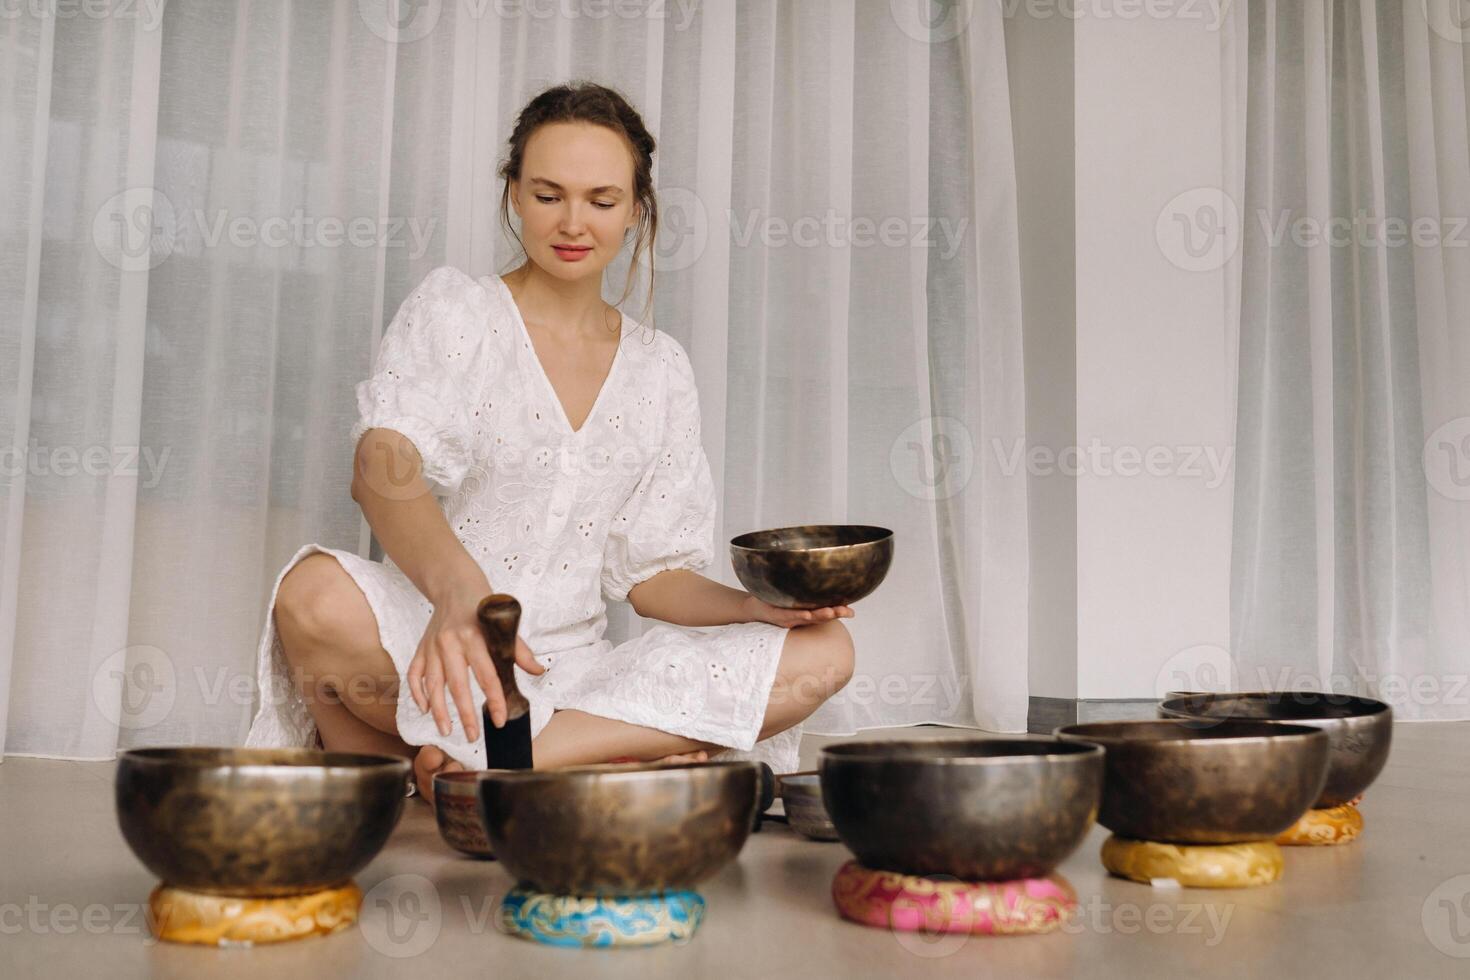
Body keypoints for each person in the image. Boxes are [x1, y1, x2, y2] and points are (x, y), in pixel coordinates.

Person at [244, 82, 855, 801]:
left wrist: (753, 608)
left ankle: (491, 763)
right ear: (513, 195)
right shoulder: (459, 311)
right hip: (444, 645)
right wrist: (458, 592)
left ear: (635, 209)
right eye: (547, 195)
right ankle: (588, 758)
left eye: (601, 200)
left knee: (827, 651)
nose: (573, 222)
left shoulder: (661, 368)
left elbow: (652, 576)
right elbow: (382, 465)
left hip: (579, 675)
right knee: (311, 593)